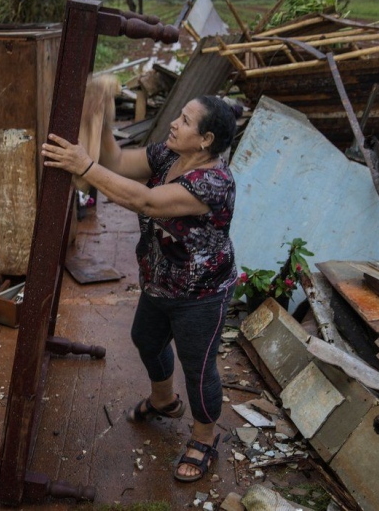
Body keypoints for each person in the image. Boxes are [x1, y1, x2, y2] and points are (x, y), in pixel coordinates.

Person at [41, 95, 238, 483]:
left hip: (201, 294)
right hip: (160, 281)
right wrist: (102, 114)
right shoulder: (167, 156)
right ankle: (164, 401)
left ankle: (204, 437)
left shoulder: (213, 183)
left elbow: (145, 200)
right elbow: (116, 163)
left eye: (185, 120)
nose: (174, 124)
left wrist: (83, 165)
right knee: (146, 339)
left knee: (198, 369)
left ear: (205, 140)